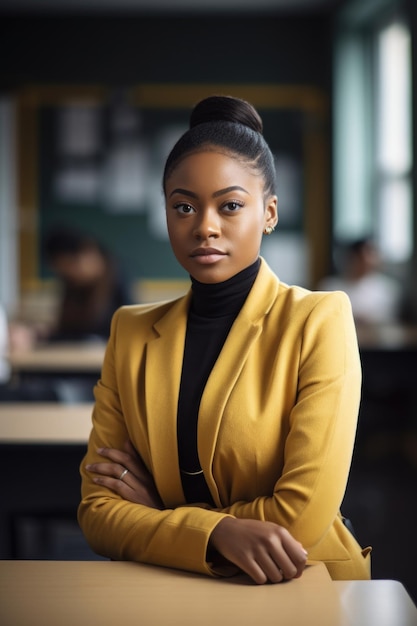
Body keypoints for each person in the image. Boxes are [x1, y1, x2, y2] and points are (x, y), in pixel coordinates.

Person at [78, 95, 371, 584]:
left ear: (270, 212)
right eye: (184, 207)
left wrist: (167, 518)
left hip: (300, 582)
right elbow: (97, 513)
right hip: (168, 586)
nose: (205, 227)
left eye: (230, 205)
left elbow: (299, 519)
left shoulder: (320, 320)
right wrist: (214, 534)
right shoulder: (129, 331)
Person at [42, 226, 131, 342]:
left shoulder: (117, 277)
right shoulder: (72, 284)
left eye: (71, 265)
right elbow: (66, 330)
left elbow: (125, 330)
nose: (71, 272)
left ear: (88, 252)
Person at [317, 237, 403, 326]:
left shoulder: (388, 288)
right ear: (351, 258)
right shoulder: (330, 287)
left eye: (371, 257)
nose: (367, 262)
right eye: (362, 258)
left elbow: (388, 319)